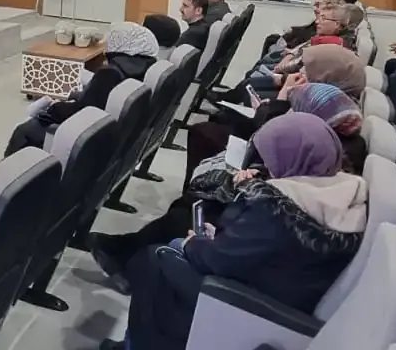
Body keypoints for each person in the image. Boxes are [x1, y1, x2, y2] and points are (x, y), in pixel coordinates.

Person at [99, 113, 367, 350]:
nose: (268, 166)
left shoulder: (279, 207)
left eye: (271, 158)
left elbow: (217, 259)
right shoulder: (340, 193)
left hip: (247, 305)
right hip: (280, 295)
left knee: (153, 259)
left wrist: (196, 243)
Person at [186, 44, 367, 186]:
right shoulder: (340, 108)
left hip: (268, 176)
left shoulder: (324, 104)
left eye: (307, 68)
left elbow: (272, 134)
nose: (301, 72)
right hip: (267, 167)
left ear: (326, 74)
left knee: (207, 132)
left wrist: (283, 94)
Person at [4, 22, 160, 155]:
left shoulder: (110, 74)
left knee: (23, 131)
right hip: (107, 131)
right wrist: (77, 95)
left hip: (82, 132)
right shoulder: (147, 67)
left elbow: (84, 109)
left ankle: (10, 174)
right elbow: (99, 100)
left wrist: (53, 108)